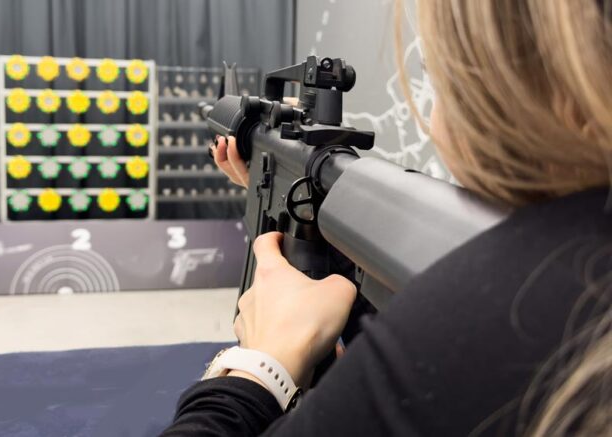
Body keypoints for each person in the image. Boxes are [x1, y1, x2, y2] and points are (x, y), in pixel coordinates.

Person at [161, 1, 612, 435]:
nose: (435, 123)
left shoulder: (464, 320)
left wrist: (260, 364)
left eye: (440, 82)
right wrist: (274, 192)